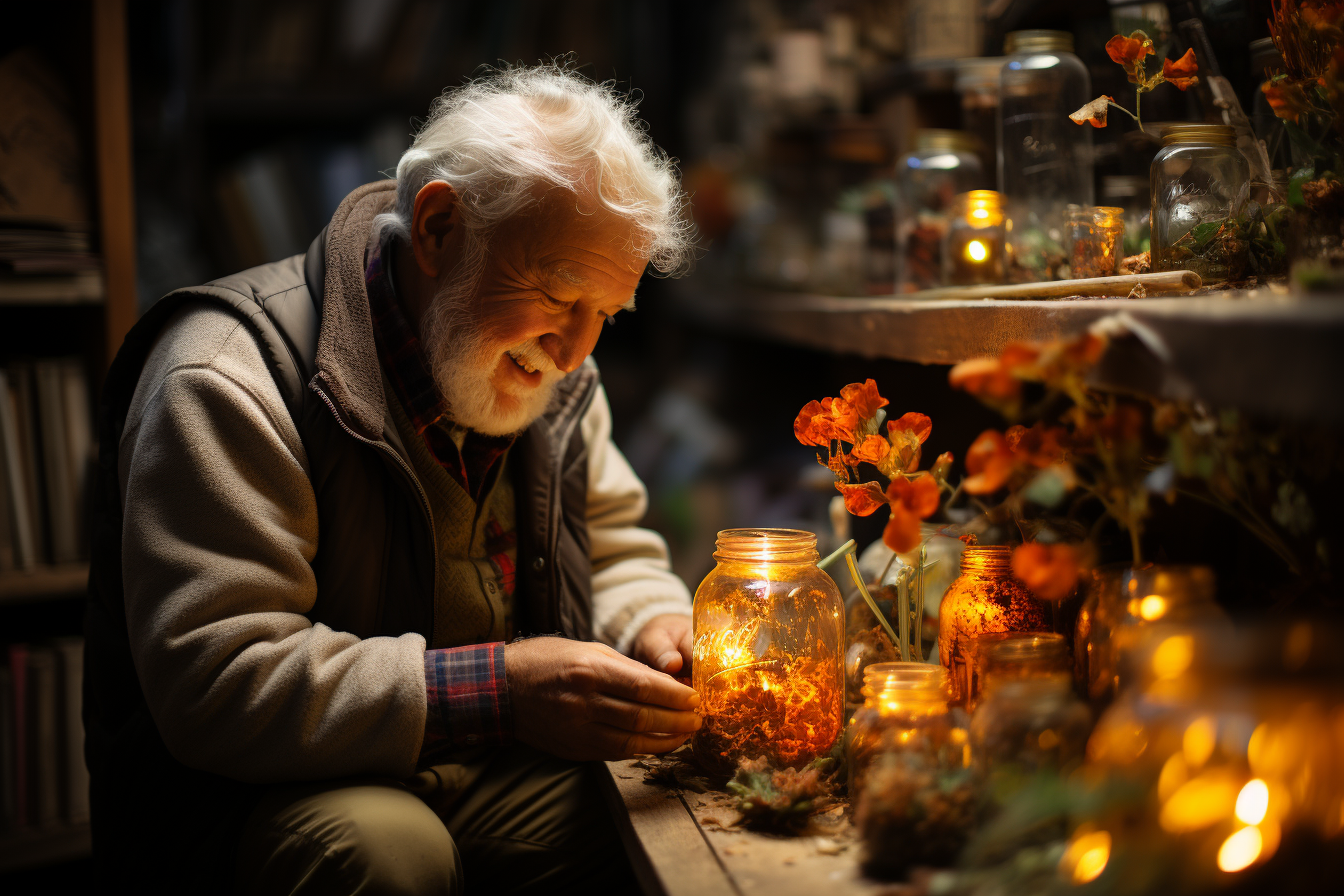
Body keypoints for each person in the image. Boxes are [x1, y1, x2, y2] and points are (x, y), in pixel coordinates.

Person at [84, 64, 700, 895]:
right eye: (559, 293)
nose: (576, 352)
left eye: (606, 315)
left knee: (680, 816)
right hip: (268, 792)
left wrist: (654, 627)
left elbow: (615, 543)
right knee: (386, 855)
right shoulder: (229, 374)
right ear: (440, 226)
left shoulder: (550, 375)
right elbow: (218, 683)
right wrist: (503, 690)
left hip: (481, 762)